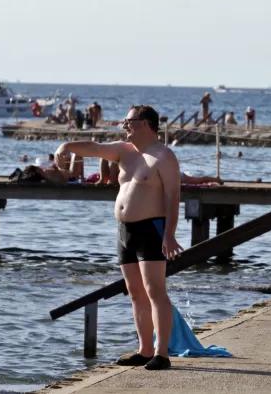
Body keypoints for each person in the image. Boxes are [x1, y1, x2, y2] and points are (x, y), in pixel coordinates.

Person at [54, 105, 183, 370]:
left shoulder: (163, 156)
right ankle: (144, 350)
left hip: (152, 229)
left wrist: (169, 235)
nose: (124, 125)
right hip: (125, 231)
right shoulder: (124, 151)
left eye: (129, 121)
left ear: (146, 123)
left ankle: (162, 354)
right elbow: (95, 147)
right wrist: (67, 145)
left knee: (154, 290)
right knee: (135, 293)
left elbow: (173, 198)